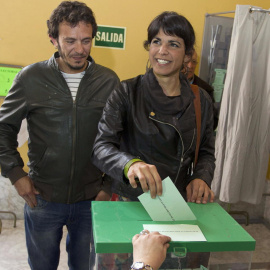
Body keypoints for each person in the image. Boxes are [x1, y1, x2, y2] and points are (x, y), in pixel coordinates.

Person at [0, 1, 119, 270]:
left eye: (86, 40)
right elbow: (2, 130)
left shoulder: (108, 81)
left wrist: (108, 186)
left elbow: (119, 138)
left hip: (92, 200)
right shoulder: (30, 78)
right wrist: (16, 175)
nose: (80, 50)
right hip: (42, 198)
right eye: (70, 41)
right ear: (53, 39)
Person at [92, 11, 215, 204]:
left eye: (173, 44)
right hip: (131, 200)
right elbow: (101, 147)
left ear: (187, 55)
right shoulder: (126, 92)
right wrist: (129, 164)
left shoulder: (201, 99)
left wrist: (201, 177)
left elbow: (206, 151)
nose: (162, 51)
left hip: (178, 202)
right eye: (156, 42)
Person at [184, 49, 219, 129]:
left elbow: (212, 122)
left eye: (193, 62)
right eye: (186, 61)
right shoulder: (168, 84)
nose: (190, 66)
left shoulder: (205, 89)